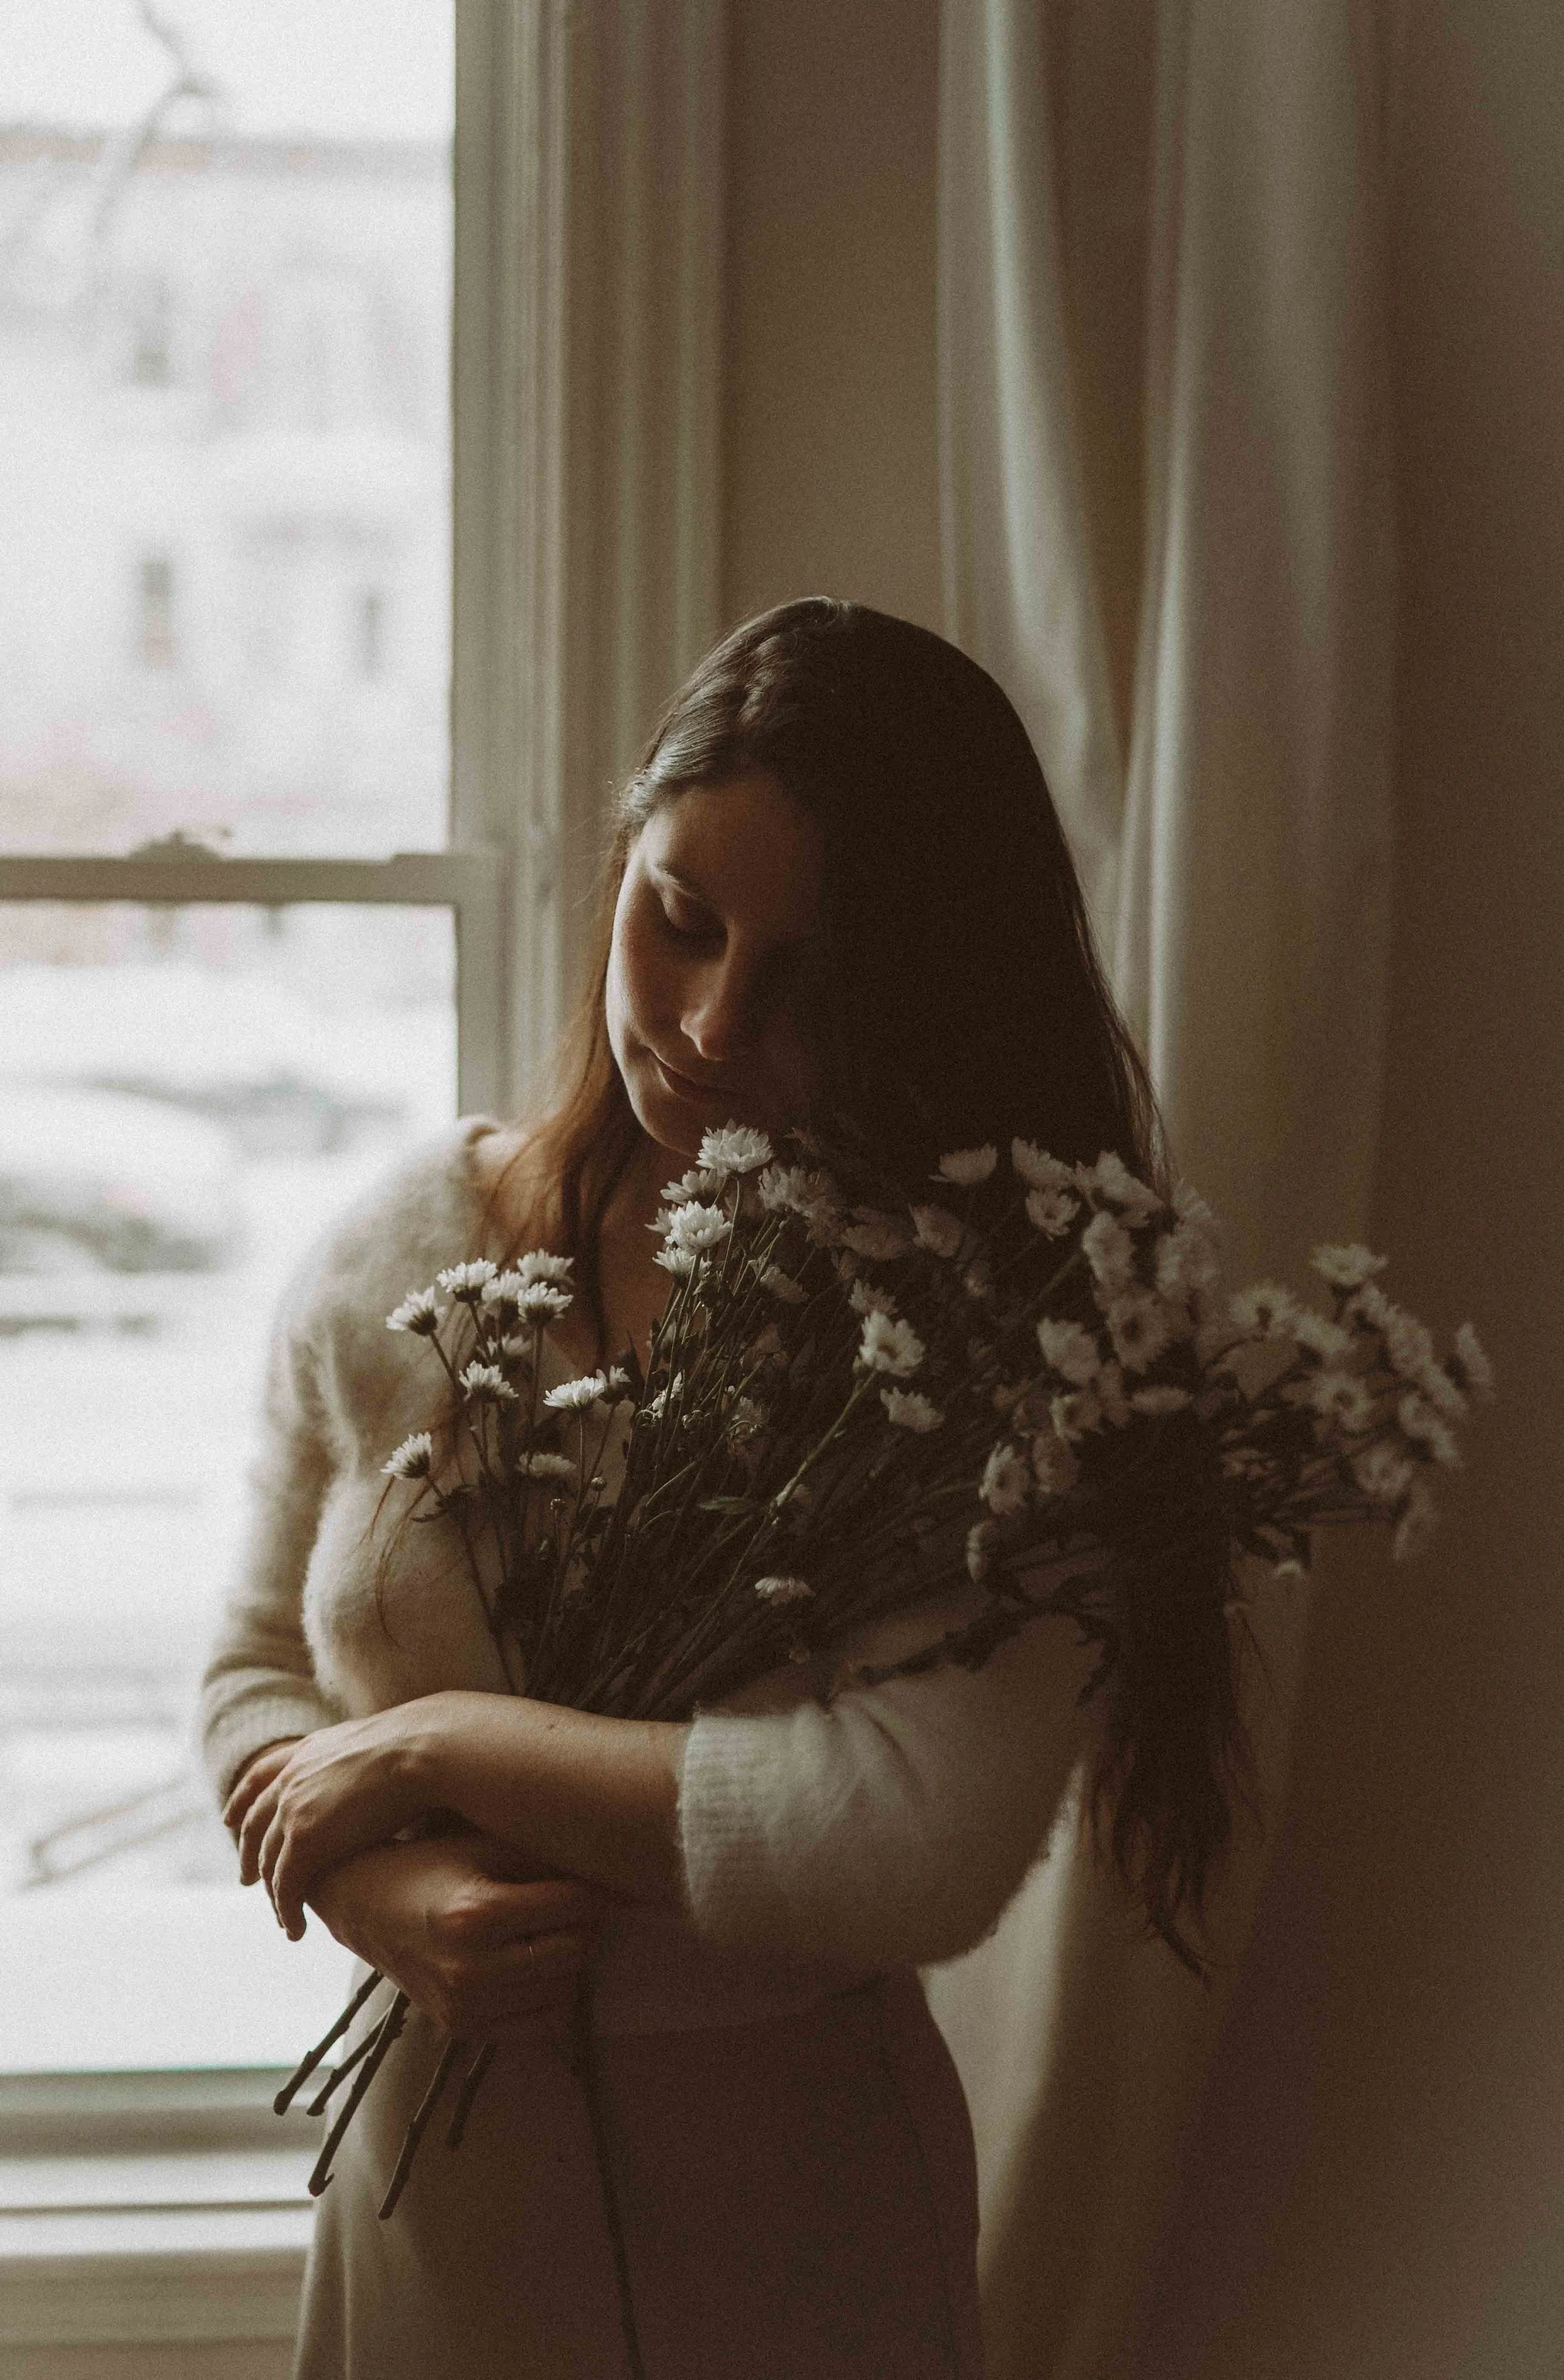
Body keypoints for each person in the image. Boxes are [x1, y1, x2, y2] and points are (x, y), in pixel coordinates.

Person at [203, 598, 1237, 2379]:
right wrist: (386, 1900)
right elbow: (249, 1669)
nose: (704, 1019)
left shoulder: (989, 1347)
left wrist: (430, 1744)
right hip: (426, 2217)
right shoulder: (404, 1246)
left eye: (806, 977)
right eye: (677, 918)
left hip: (784, 2241)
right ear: (619, 863)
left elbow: (904, 1840)